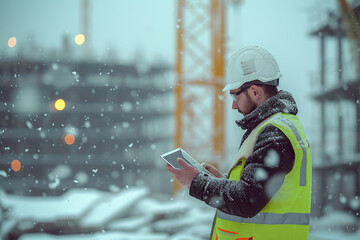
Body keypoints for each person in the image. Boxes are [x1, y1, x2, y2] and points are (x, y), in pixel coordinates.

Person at [166, 46, 312, 240]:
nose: (233, 104)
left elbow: (247, 199)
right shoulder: (272, 127)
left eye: (235, 96)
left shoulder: (274, 133)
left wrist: (198, 183)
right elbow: (259, 188)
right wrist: (223, 182)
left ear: (254, 91)